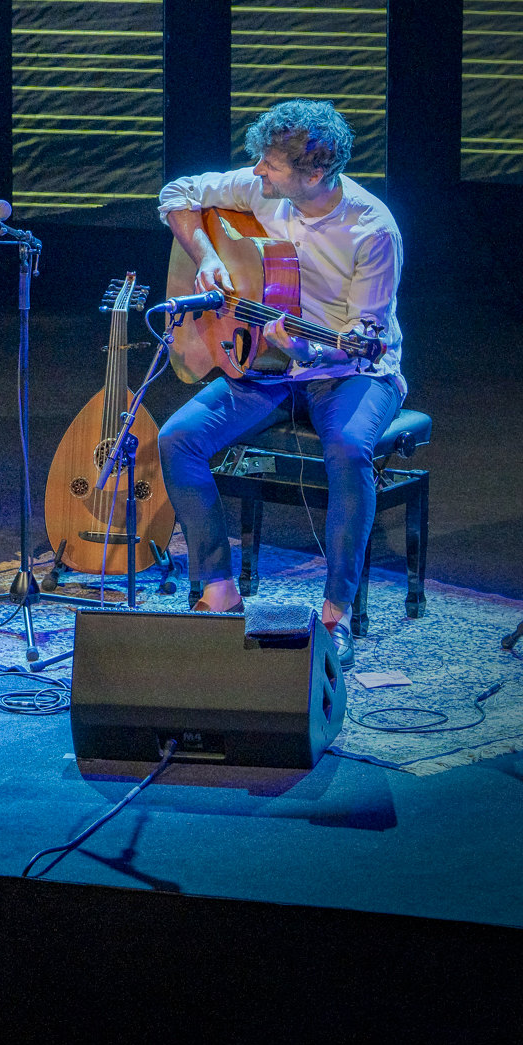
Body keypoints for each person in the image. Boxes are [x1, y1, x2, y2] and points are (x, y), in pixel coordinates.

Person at [154, 99, 405, 668]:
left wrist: (306, 346)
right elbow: (178, 194)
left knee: (347, 446)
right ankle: (217, 588)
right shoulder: (263, 189)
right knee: (178, 438)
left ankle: (335, 612)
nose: (259, 172)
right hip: (267, 366)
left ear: (313, 174)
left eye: (270, 163)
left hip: (351, 370)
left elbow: (368, 334)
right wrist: (209, 256)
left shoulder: (372, 229)